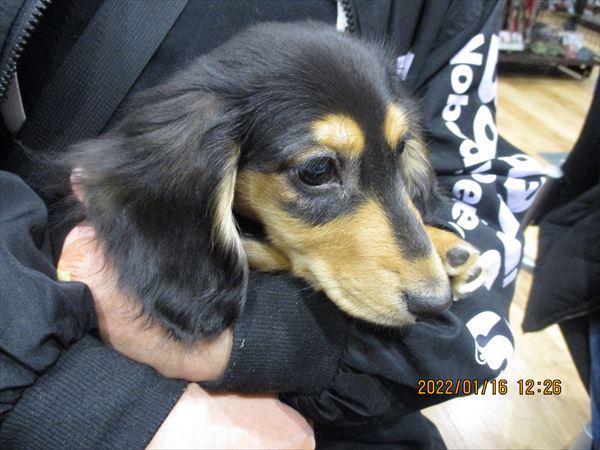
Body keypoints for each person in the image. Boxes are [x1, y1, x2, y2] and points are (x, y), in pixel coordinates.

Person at [0, 0, 546, 448]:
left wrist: (251, 340)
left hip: (356, 416)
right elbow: (180, 286)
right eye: (318, 170)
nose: (428, 282)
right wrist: (89, 404)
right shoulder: (192, 151)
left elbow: (466, 208)